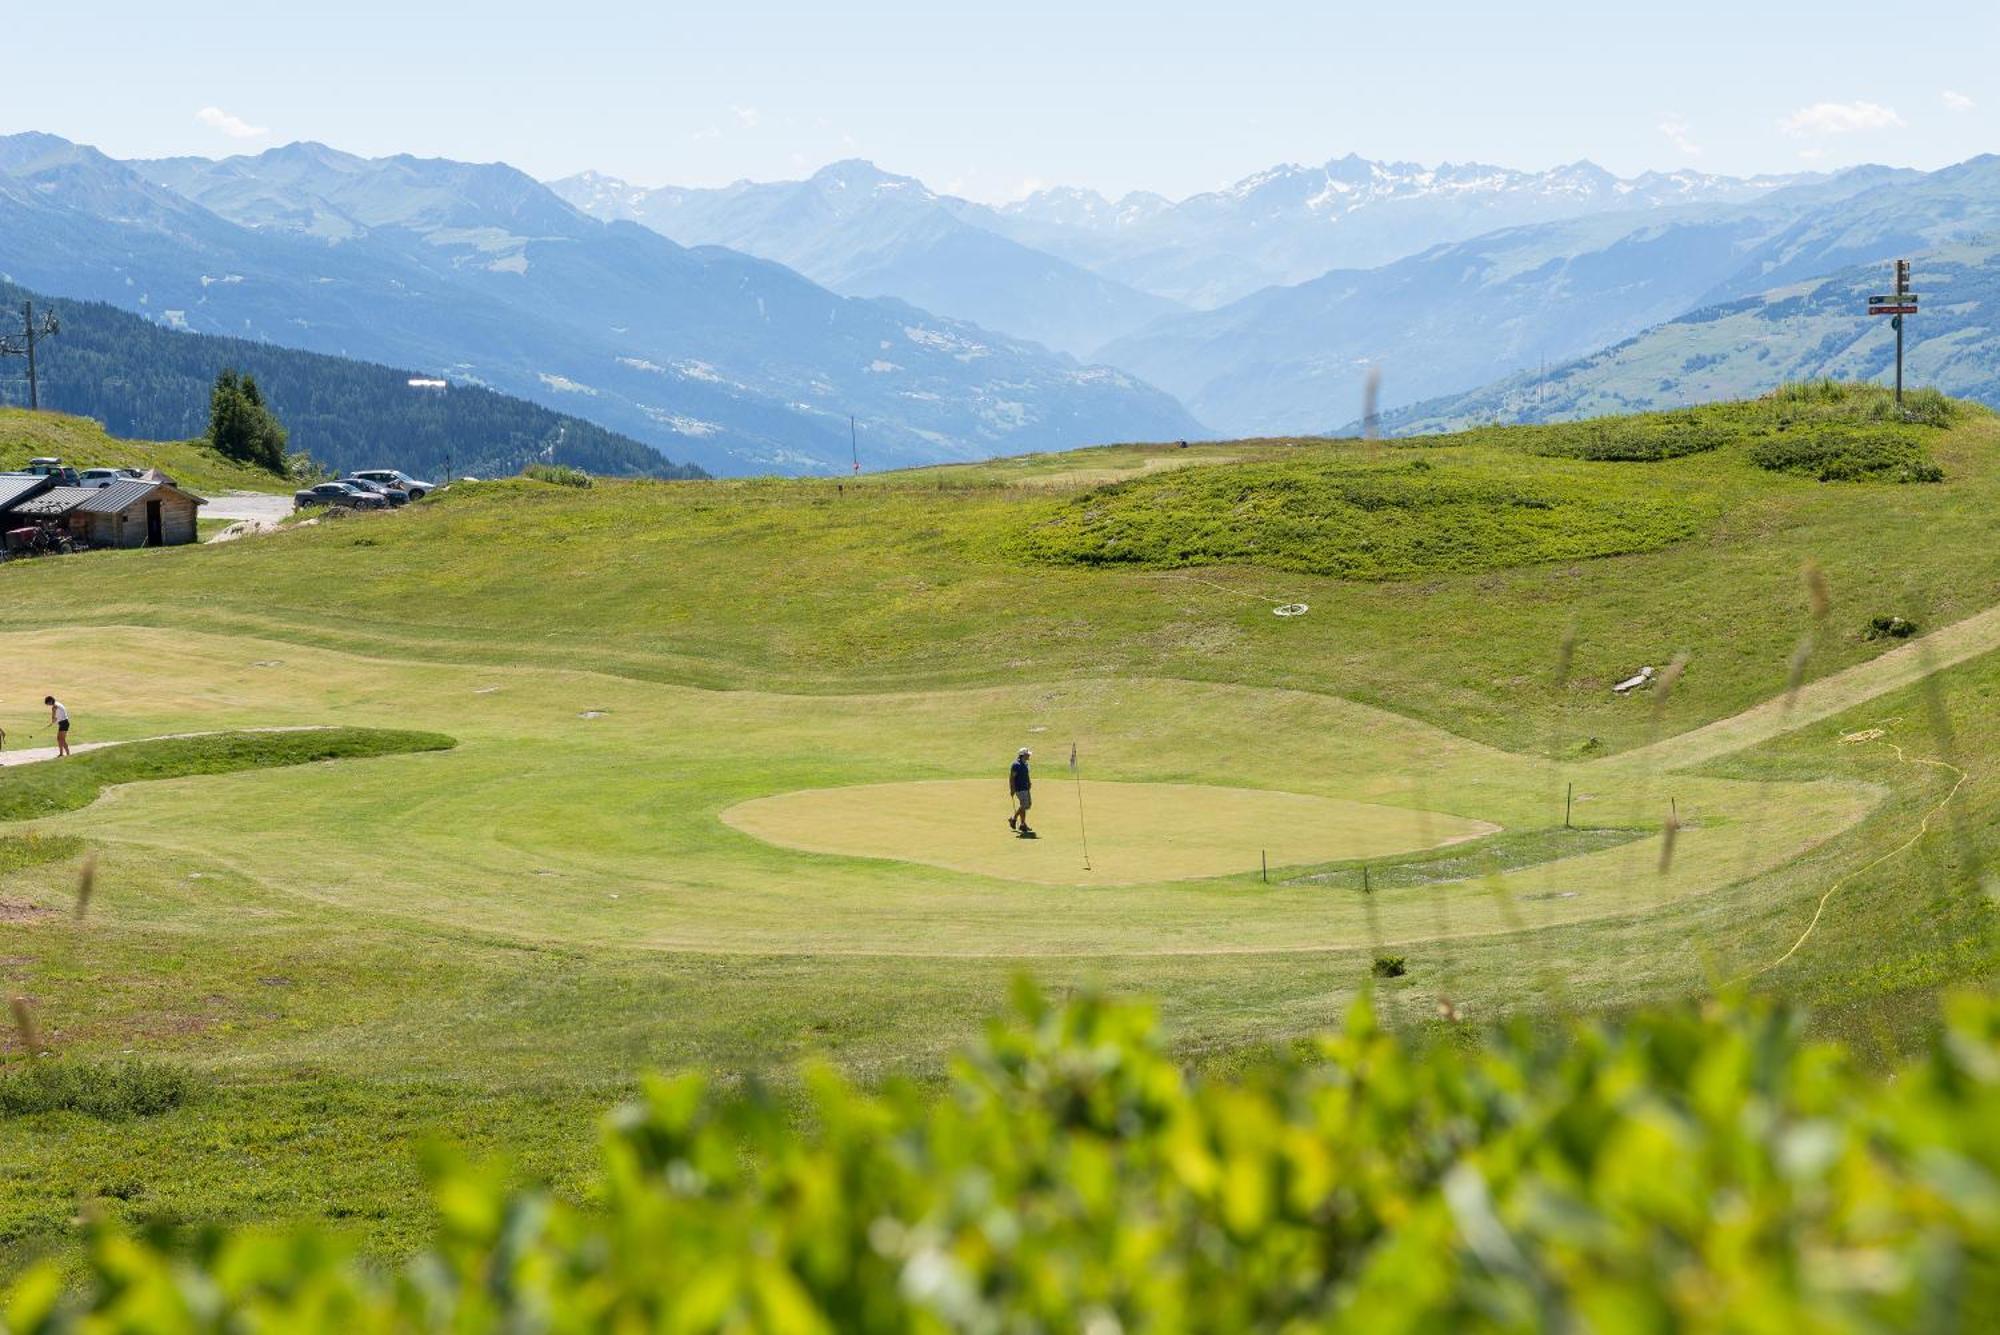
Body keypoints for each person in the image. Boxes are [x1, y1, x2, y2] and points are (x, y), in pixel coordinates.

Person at [1008, 747, 1034, 835]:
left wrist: (1029, 782)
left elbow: (1026, 774)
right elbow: (1012, 778)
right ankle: (1014, 819)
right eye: (1027, 754)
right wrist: (1012, 789)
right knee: (1025, 805)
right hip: (1019, 789)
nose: (1029, 755)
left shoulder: (1025, 764)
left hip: (1026, 788)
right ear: (1023, 755)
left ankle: (1022, 824)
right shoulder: (1016, 765)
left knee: (1026, 805)